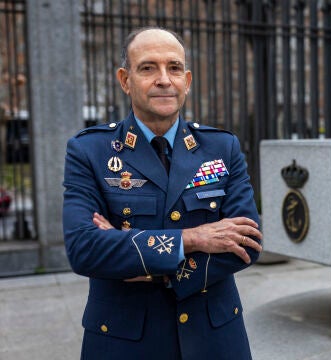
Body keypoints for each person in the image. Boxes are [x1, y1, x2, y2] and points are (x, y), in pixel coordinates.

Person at [63, 26, 263, 359]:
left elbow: (246, 242)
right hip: (125, 341)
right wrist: (191, 239)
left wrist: (152, 268)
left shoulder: (221, 147)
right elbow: (84, 248)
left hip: (214, 339)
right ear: (125, 80)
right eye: (147, 68)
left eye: (173, 68)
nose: (163, 79)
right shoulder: (90, 151)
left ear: (187, 80)